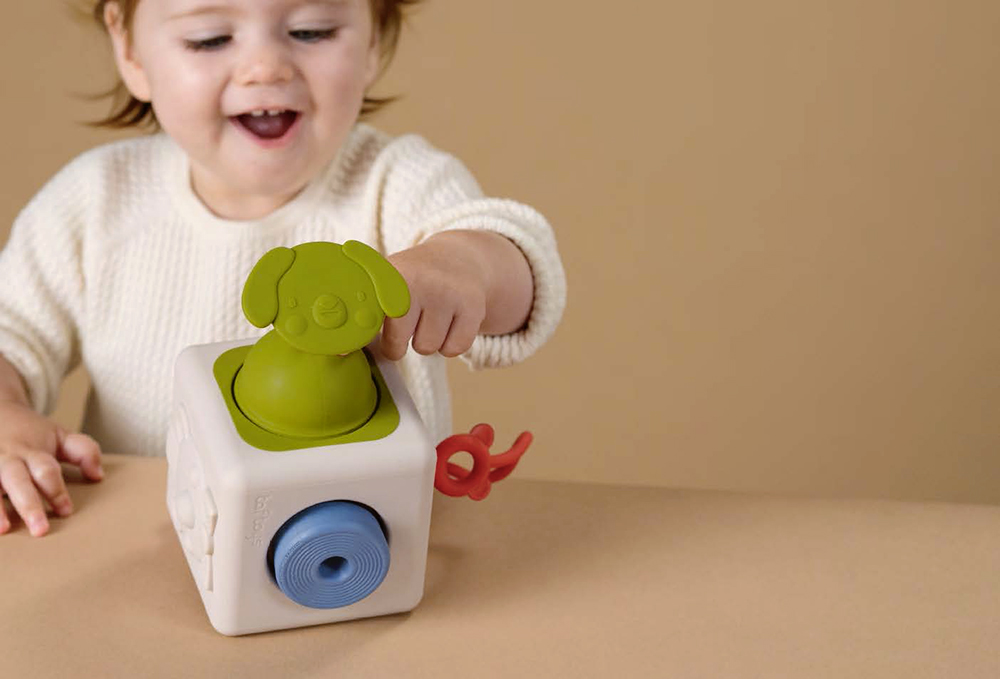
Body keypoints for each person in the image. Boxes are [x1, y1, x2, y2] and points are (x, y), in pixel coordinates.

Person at [0, 0, 566, 537]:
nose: (266, 67)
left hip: (365, 541)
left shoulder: (397, 184)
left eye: (311, 30)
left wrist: (463, 263)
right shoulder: (94, 199)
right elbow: (10, 333)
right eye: (210, 39)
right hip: (132, 540)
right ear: (130, 51)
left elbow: (519, 269)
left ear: (374, 41)